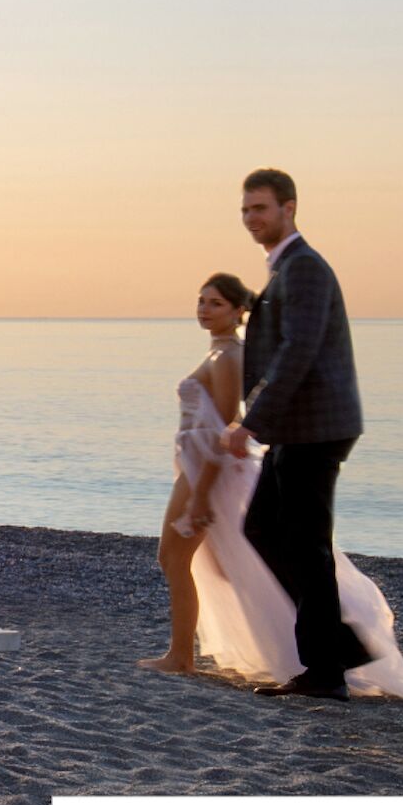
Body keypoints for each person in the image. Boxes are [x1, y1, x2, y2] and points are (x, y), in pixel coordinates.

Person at [196, 169, 403, 701]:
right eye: (245, 210)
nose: (251, 219)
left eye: (260, 208)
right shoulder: (286, 267)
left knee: (304, 544)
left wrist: (251, 422)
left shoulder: (304, 267)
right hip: (297, 429)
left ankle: (326, 671)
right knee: (264, 528)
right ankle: (340, 648)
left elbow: (299, 351)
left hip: (315, 429)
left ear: (289, 208)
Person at [139, 274, 252, 674]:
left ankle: (181, 657)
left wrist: (202, 492)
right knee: (179, 559)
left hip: (204, 470)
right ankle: (182, 653)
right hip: (194, 465)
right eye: (201, 301)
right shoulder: (219, 353)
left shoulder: (228, 358)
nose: (204, 309)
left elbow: (225, 429)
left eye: (216, 303)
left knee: (172, 557)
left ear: (239, 311)